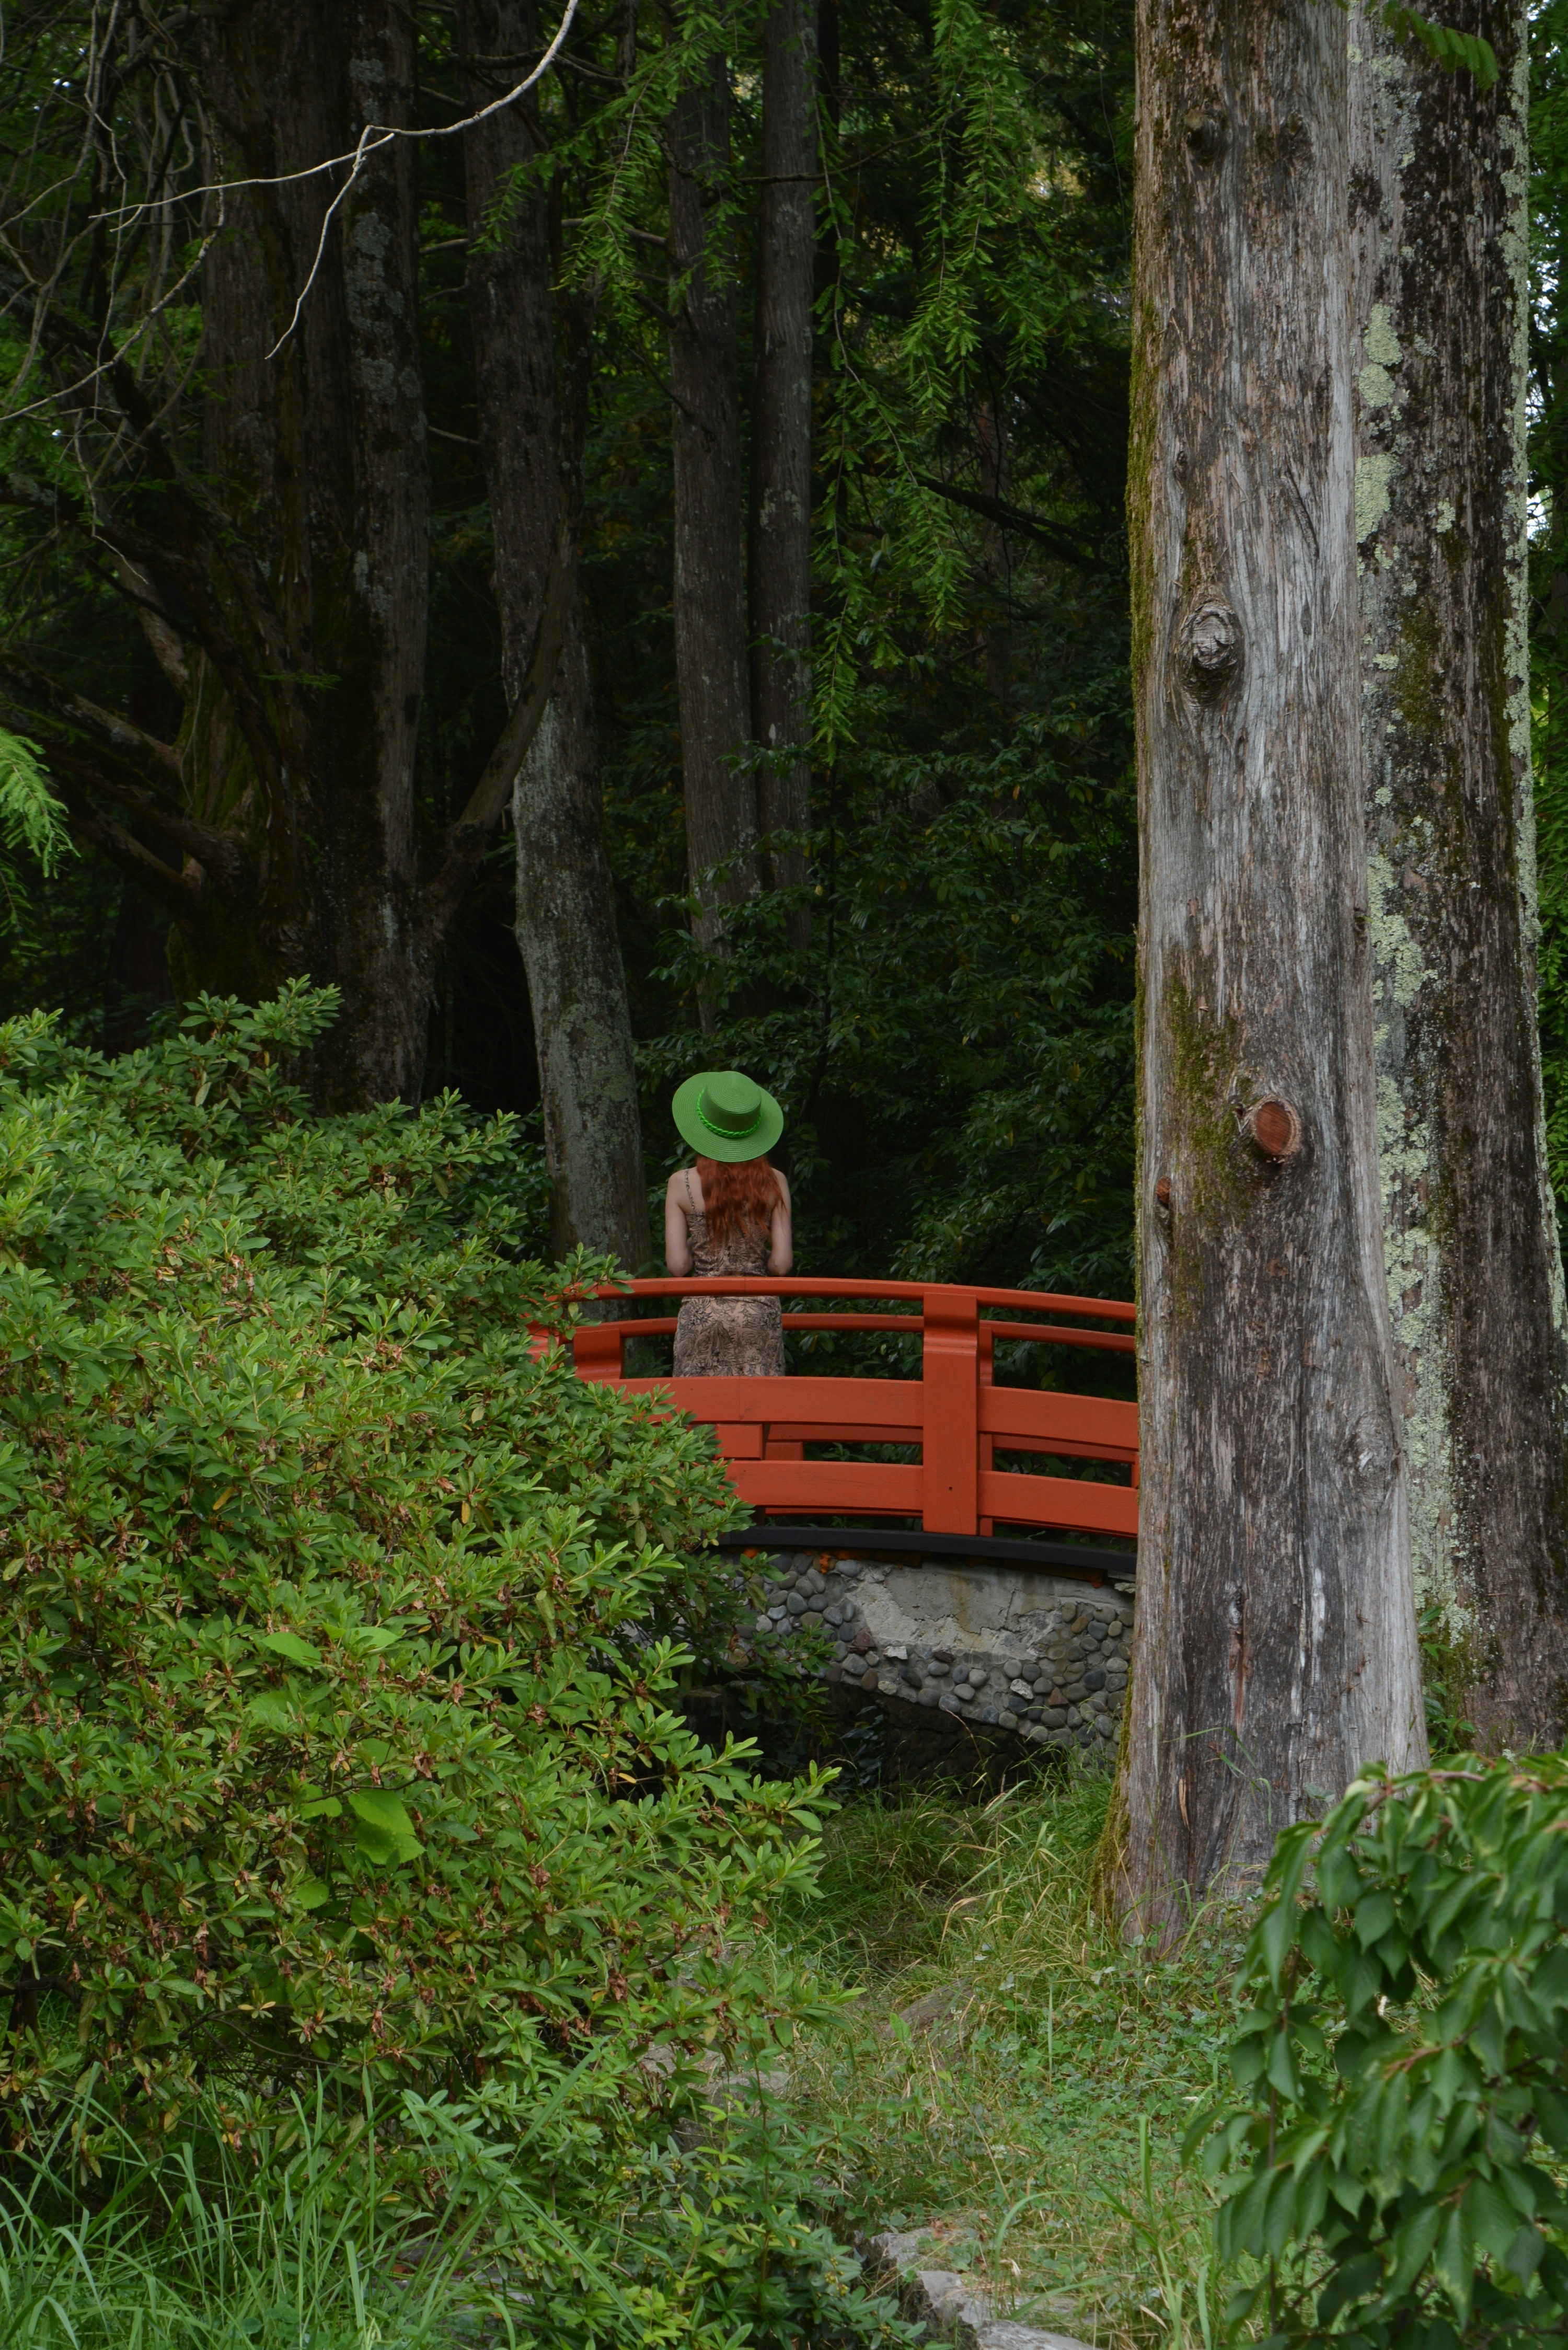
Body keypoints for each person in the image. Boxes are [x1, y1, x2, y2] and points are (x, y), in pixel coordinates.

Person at [664, 1068, 792, 1376]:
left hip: (701, 1314)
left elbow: (679, 1266)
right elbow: (781, 1265)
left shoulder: (680, 1183)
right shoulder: (775, 1182)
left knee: (698, 1414)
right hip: (757, 1314)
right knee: (757, 1409)